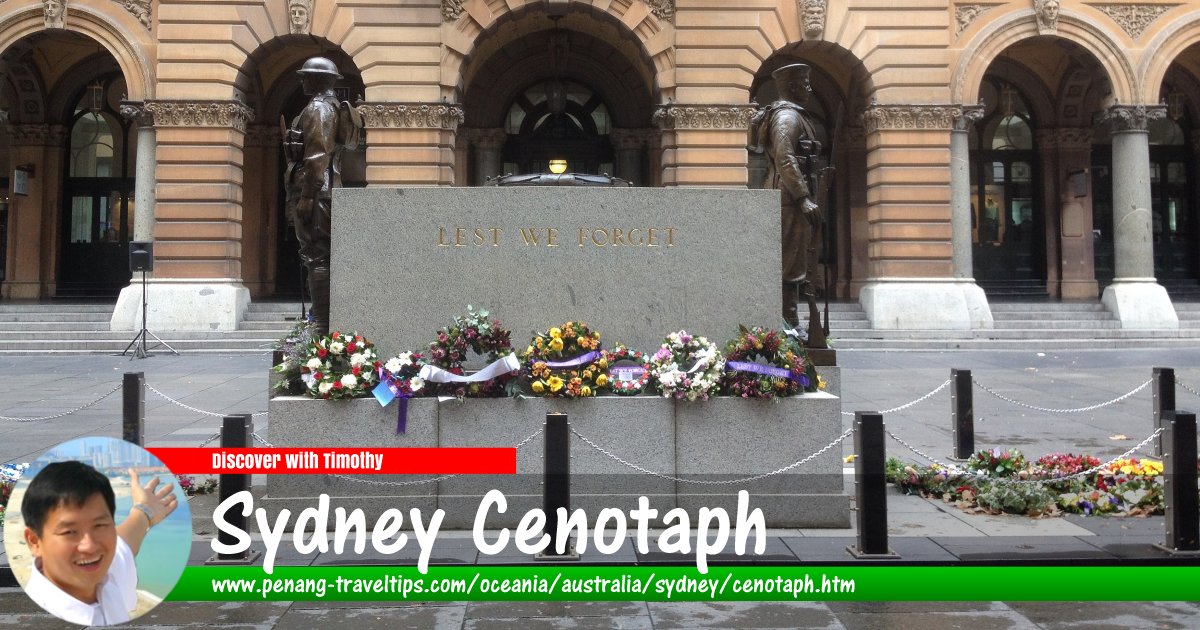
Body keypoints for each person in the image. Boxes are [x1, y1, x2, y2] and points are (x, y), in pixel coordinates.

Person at [20, 461, 178, 626]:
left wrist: (145, 511)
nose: (89, 546)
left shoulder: (105, 574)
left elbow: (123, 544)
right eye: (69, 532)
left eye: (99, 525)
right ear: (34, 541)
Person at [283, 57, 362, 337]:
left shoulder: (317, 108)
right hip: (325, 191)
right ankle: (323, 323)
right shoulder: (329, 107)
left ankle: (323, 327)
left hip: (317, 192)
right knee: (319, 257)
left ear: (318, 79)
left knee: (316, 258)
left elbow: (317, 155)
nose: (302, 81)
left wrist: (306, 195)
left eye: (306, 76)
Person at [749, 63, 826, 346]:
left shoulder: (791, 115)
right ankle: (789, 324)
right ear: (793, 87)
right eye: (805, 85)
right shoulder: (788, 117)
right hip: (788, 199)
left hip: (789, 198)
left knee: (795, 261)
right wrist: (803, 197)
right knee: (790, 264)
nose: (809, 89)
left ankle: (790, 323)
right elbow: (785, 158)